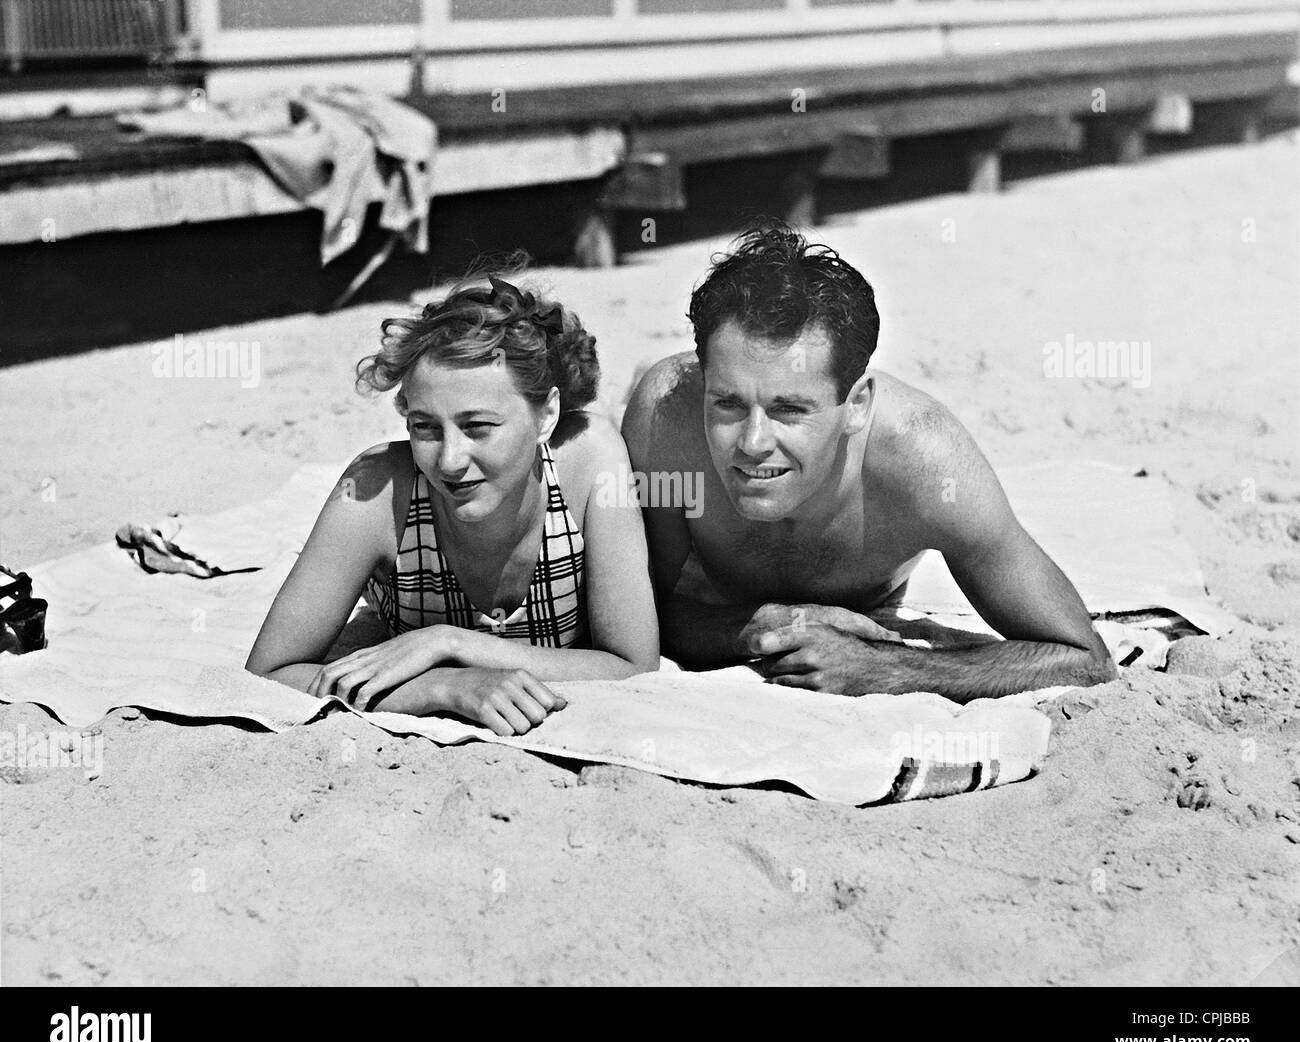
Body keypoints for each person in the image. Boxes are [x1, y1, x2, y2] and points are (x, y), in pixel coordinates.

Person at [621, 225, 1116, 703]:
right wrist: (759, 627)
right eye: (726, 404)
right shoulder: (668, 423)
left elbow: (1084, 660)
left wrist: (884, 667)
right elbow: (625, 617)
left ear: (857, 405)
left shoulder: (925, 461)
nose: (752, 442)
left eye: (789, 410)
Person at [247, 272, 659, 735]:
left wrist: (447, 642)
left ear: (546, 416)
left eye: (478, 426)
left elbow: (633, 665)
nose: (449, 460)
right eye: (425, 427)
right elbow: (269, 673)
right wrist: (442, 687)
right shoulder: (376, 493)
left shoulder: (588, 462)